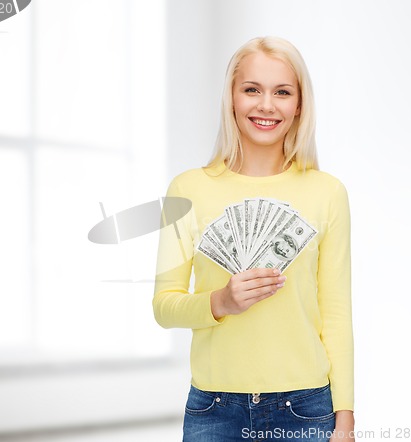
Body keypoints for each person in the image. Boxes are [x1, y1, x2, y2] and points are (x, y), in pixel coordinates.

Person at [153, 36, 354, 442]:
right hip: (214, 408)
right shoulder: (188, 188)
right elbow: (164, 307)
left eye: (282, 92)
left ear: (299, 104)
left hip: (306, 407)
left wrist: (345, 422)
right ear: (231, 98)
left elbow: (336, 314)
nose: (266, 105)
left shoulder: (327, 192)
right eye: (252, 90)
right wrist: (220, 302)